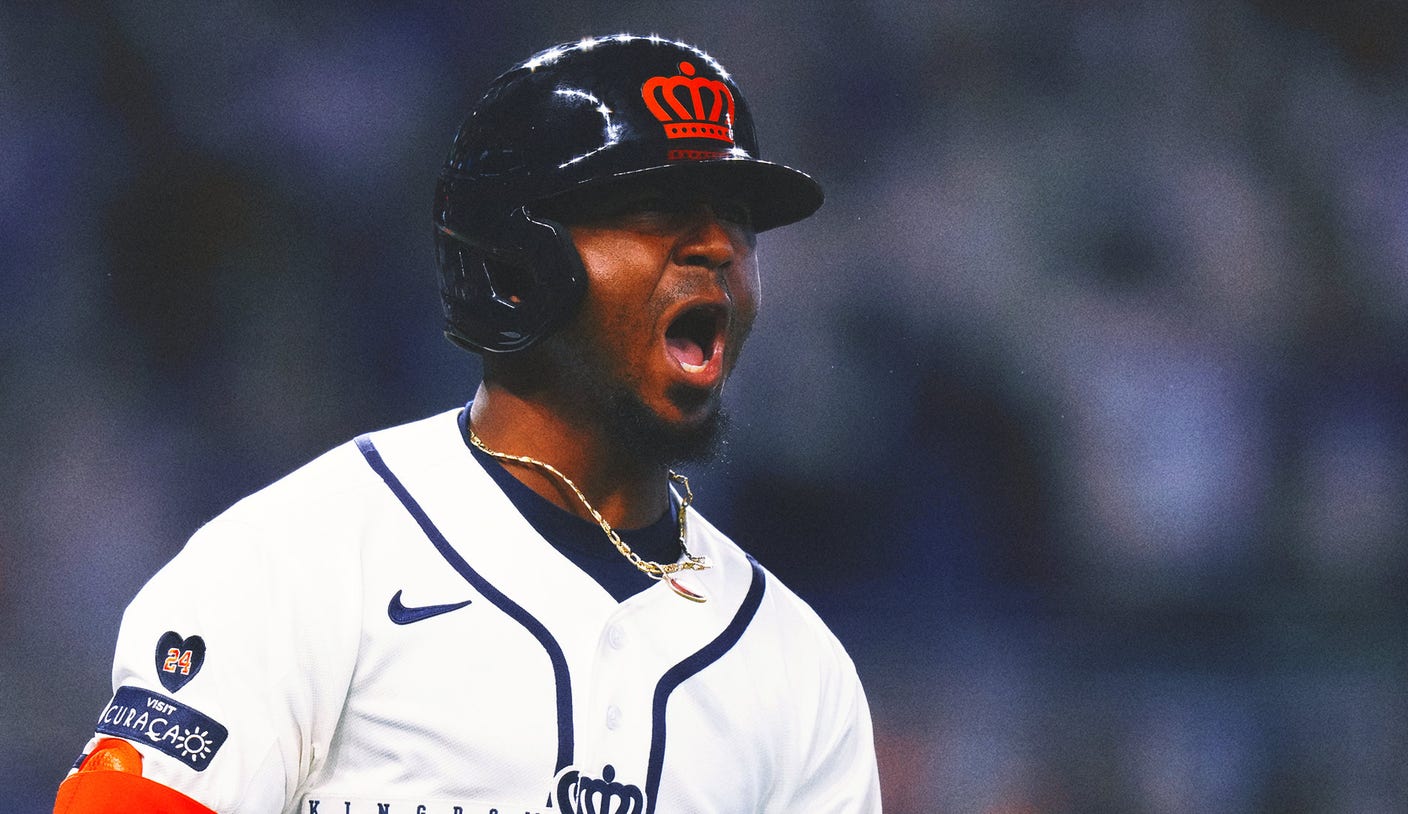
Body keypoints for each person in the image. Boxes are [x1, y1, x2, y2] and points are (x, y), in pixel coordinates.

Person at [55, 34, 881, 814]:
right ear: (513, 264)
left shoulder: (800, 673)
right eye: (655, 207)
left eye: (736, 215)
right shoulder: (303, 560)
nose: (717, 247)